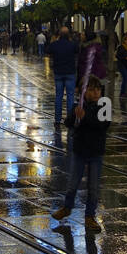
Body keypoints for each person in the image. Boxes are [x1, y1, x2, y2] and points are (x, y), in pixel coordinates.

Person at [51, 77, 111, 230]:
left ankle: (90, 216)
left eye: (98, 89)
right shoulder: (79, 105)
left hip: (96, 152)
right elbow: (69, 123)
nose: (96, 92)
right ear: (84, 92)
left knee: (93, 187)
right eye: (91, 89)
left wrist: (85, 117)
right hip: (80, 150)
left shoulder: (104, 105)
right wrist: (75, 116)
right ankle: (67, 207)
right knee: (73, 183)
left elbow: (102, 125)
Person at [44, 27, 78, 126]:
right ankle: (70, 119)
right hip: (70, 73)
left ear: (59, 35)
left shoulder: (55, 44)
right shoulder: (72, 44)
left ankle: (58, 120)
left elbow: (48, 50)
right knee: (70, 97)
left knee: (58, 96)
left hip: (58, 73)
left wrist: (54, 40)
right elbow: (77, 50)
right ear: (69, 35)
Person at [77, 30, 108, 105]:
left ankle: (96, 113)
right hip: (100, 75)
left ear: (87, 37)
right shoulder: (94, 46)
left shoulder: (89, 49)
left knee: (92, 97)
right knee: (98, 96)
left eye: (83, 35)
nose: (81, 36)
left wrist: (81, 79)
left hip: (93, 77)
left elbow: (86, 64)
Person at [115, 32, 127, 96]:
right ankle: (122, 92)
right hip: (122, 64)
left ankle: (125, 91)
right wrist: (125, 58)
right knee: (125, 78)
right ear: (124, 40)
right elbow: (117, 56)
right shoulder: (121, 47)